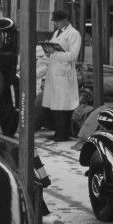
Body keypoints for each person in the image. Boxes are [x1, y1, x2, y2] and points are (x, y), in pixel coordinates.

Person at [40, 8, 81, 141]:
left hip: (64, 74)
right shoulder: (57, 33)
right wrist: (48, 50)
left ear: (65, 20)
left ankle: (63, 133)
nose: (55, 24)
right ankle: (59, 132)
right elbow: (53, 51)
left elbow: (73, 55)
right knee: (55, 105)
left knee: (63, 105)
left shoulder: (74, 34)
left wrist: (55, 53)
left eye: (57, 21)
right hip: (54, 72)